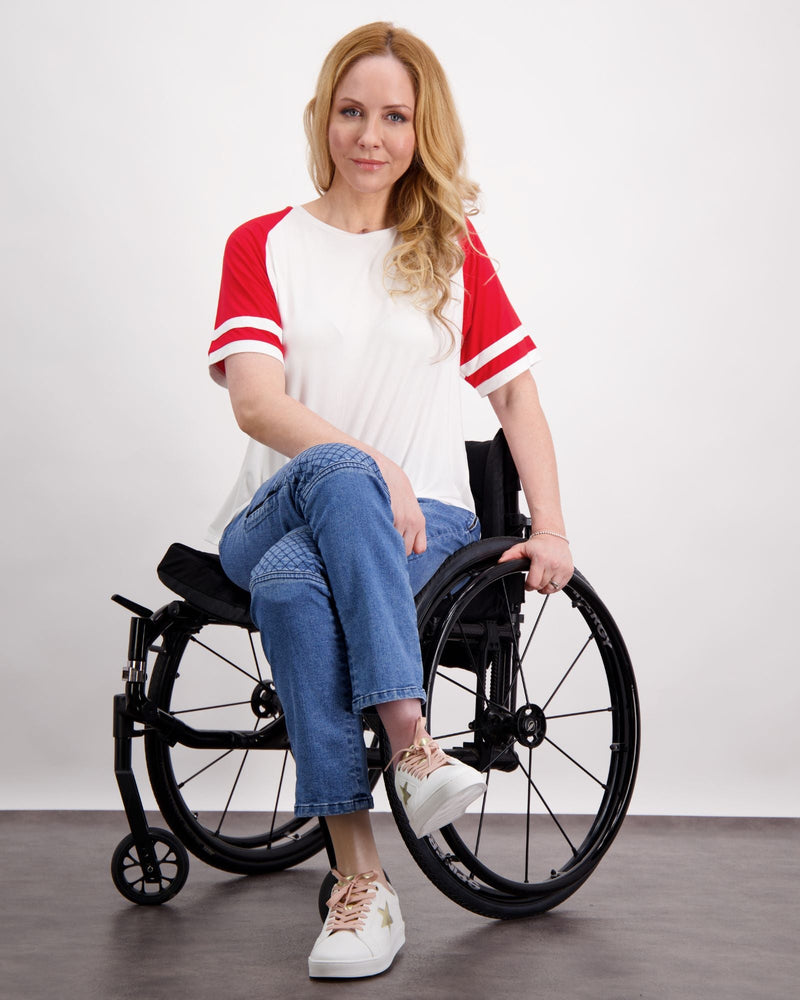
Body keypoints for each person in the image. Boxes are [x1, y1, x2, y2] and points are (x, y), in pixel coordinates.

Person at [207, 21, 573, 980]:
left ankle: (361, 884)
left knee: (294, 588)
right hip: (277, 509)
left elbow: (515, 393)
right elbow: (256, 401)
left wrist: (553, 526)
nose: (371, 135)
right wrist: (378, 466)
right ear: (324, 118)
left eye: (395, 116)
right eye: (352, 111)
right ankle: (413, 745)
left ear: (423, 130)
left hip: (425, 529)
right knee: (334, 478)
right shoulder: (264, 244)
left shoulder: (446, 248)